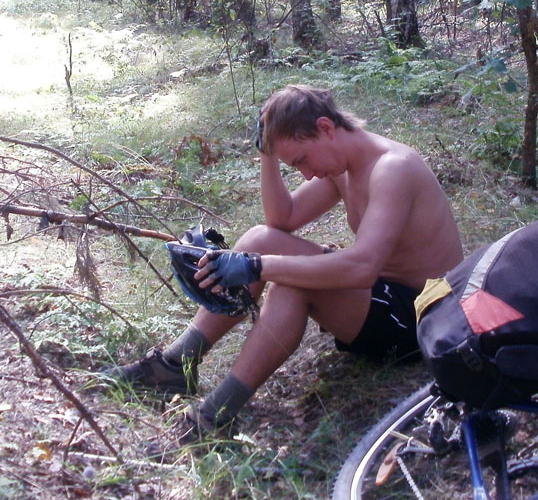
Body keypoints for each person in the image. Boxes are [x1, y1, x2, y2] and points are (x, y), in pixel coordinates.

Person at [104, 84, 464, 446]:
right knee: (260, 238)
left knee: (291, 285)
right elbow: (282, 219)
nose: (306, 174)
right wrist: (267, 154)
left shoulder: (392, 168)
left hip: (420, 318)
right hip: (380, 295)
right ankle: (174, 364)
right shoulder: (343, 166)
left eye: (303, 160)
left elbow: (362, 268)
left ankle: (215, 415)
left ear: (325, 128)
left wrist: (259, 267)